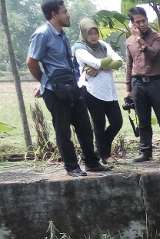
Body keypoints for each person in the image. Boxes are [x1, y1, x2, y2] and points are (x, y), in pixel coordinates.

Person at [26, 0, 109, 177]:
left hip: (71, 86)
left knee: (85, 127)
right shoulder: (42, 34)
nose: (68, 14)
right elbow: (31, 62)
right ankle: (71, 167)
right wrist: (44, 83)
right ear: (54, 14)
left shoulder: (62, 34)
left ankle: (92, 163)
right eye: (64, 11)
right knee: (63, 130)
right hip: (55, 91)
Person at [72, 18, 123, 164]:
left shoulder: (103, 45)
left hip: (109, 91)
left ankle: (100, 148)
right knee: (99, 124)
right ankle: (105, 155)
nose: (94, 36)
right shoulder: (79, 48)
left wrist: (99, 67)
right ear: (84, 33)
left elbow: (119, 62)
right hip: (91, 91)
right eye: (90, 33)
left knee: (117, 122)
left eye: (95, 33)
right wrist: (103, 63)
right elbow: (97, 62)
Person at [125, 6, 160, 163]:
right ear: (133, 24)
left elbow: (155, 54)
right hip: (138, 83)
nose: (142, 24)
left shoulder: (158, 37)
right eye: (138, 22)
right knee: (142, 120)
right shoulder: (129, 42)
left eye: (144, 20)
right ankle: (145, 152)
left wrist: (140, 40)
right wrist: (128, 88)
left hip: (155, 82)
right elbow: (129, 65)